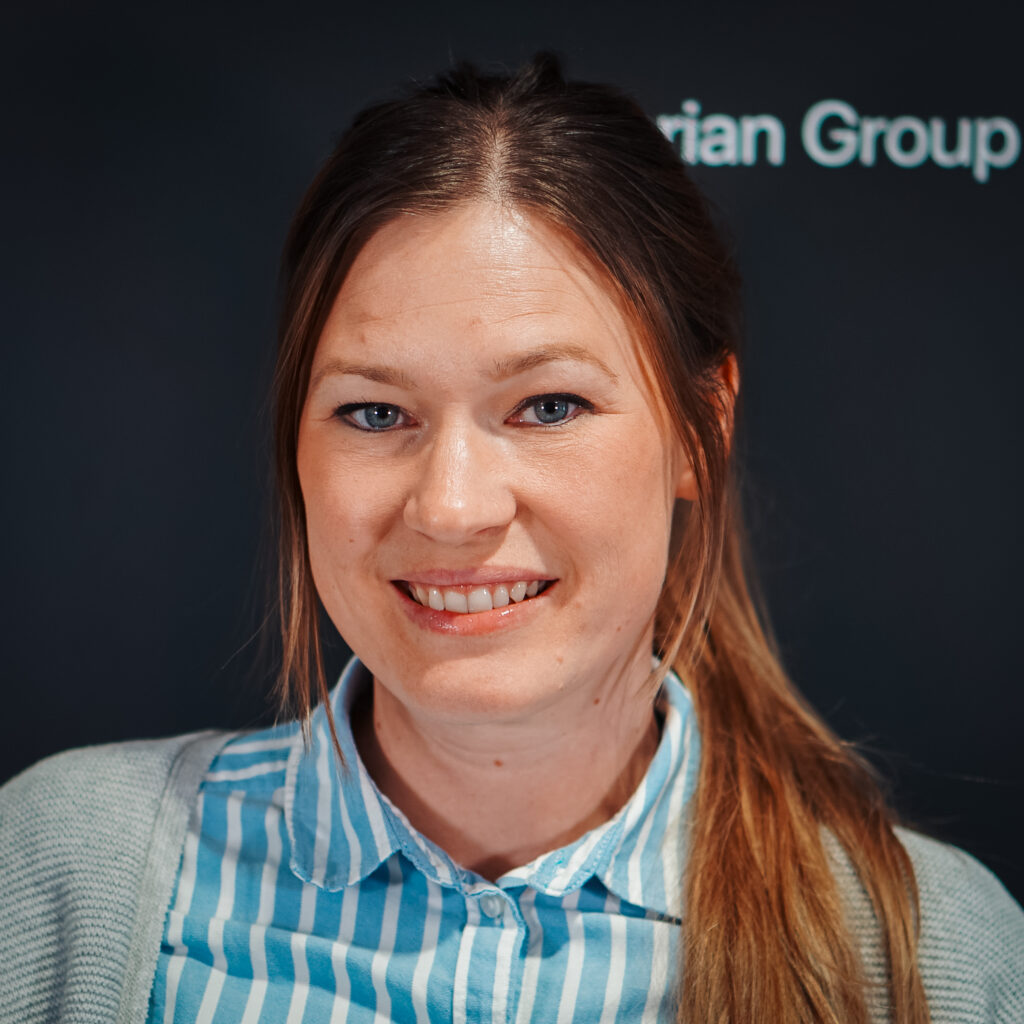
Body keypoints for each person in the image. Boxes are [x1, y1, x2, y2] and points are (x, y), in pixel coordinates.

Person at [1, 55, 1022, 1024]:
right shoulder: (63, 875)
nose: (450, 508)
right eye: (374, 413)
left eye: (548, 406)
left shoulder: (933, 955)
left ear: (700, 434)